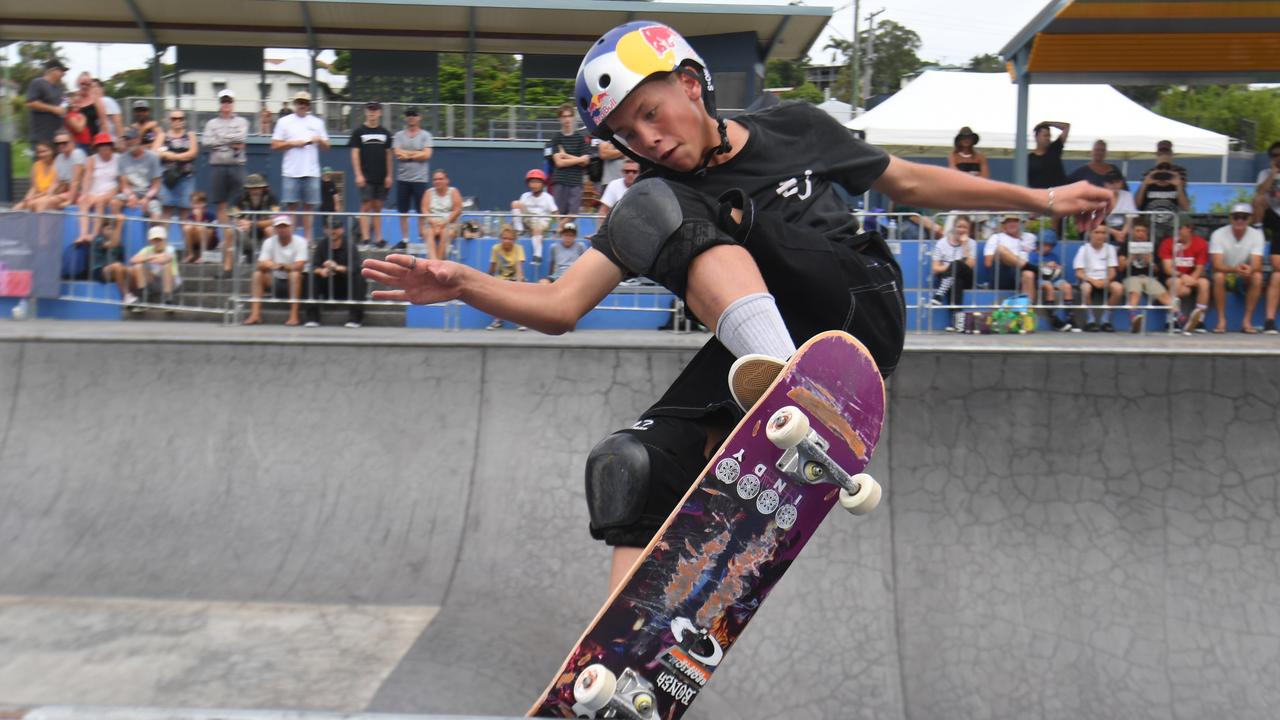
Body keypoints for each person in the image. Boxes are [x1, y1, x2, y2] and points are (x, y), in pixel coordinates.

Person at [362, 21, 1112, 590]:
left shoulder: (795, 126)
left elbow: (911, 184)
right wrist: (463, 284)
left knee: (658, 206)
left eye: (652, 114)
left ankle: (788, 382)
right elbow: (561, 305)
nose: (649, 140)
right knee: (632, 465)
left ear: (692, 83)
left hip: (855, 306)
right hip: (763, 352)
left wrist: (1043, 198)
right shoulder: (657, 194)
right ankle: (626, 667)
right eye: (627, 135)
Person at [271, 90, 330, 242]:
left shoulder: (317, 123)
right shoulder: (284, 121)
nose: (301, 105)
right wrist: (291, 143)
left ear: (309, 105)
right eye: (299, 102)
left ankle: (308, 240)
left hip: (311, 171)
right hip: (291, 171)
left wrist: (318, 140)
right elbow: (274, 145)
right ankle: (292, 240)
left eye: (304, 103)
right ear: (295, 104)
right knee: (291, 207)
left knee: (309, 208)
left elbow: (327, 147)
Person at [1208, 203, 1265, 333]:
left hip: (1243, 275)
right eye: (1236, 217)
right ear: (1230, 218)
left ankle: (1247, 321)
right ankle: (1221, 320)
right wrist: (1235, 270)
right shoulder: (1218, 234)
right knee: (1218, 276)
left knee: (1257, 277)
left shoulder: (1257, 235)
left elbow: (1257, 263)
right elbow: (1216, 264)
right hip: (1226, 273)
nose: (1239, 220)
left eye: (1244, 217)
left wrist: (1249, 269)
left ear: (1250, 219)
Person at [203, 89, 250, 244]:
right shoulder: (211, 123)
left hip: (237, 165)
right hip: (218, 166)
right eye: (223, 101)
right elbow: (207, 142)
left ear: (233, 103)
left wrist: (220, 140)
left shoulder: (242, 121)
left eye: (229, 101)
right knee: (220, 203)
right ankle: (225, 238)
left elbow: (241, 138)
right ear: (220, 103)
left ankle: (240, 237)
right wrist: (231, 142)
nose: (226, 104)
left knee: (240, 201)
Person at [244, 215, 309, 326]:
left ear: (291, 227)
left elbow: (300, 266)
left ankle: (294, 316)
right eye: (279, 227)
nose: (282, 229)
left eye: (285, 226)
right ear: (274, 229)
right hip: (276, 280)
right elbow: (260, 264)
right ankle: (255, 314)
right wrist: (268, 264)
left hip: (298, 281)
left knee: (294, 275)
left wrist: (281, 266)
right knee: (257, 274)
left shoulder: (301, 241)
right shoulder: (269, 242)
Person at [305, 221, 365, 329]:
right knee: (311, 277)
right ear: (325, 230)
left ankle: (355, 318)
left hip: (346, 286)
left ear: (342, 229)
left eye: (336, 228)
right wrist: (321, 271)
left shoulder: (350, 246)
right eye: (329, 228)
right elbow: (313, 266)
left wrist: (336, 267)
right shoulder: (322, 245)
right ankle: (312, 318)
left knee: (359, 278)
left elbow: (355, 267)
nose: (332, 231)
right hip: (327, 284)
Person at [350, 101, 393, 248]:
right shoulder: (359, 132)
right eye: (370, 110)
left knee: (378, 207)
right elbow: (355, 154)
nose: (372, 112)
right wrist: (358, 174)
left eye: (375, 110)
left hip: (381, 176)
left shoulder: (385, 133)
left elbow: (389, 155)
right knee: (366, 205)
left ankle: (379, 238)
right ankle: (366, 238)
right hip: (366, 176)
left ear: (379, 112)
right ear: (366, 112)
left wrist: (389, 175)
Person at [1114, 223, 1170, 333]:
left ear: (1147, 233)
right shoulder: (1125, 246)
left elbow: (1158, 270)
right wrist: (1131, 257)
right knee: (1135, 291)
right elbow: (1120, 268)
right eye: (1138, 231)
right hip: (1131, 277)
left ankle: (1178, 317)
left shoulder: (1154, 246)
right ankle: (1134, 318)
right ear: (1132, 232)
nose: (1140, 234)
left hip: (1149, 278)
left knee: (1163, 293)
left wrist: (1150, 262)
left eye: (1143, 231)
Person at [392, 107, 434, 249]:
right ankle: (405, 239)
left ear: (419, 117)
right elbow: (398, 154)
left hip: (420, 179)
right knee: (402, 211)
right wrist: (417, 153)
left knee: (421, 211)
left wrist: (408, 154)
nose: (411, 117)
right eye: (409, 115)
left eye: (414, 115)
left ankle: (421, 237)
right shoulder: (399, 136)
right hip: (403, 179)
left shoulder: (425, 135)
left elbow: (427, 155)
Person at [1159, 220, 1210, 333]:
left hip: (1192, 277)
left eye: (1179, 228)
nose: (1176, 231)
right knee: (1177, 283)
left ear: (1189, 229)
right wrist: (1183, 277)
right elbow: (1168, 269)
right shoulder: (1167, 243)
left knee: (1204, 283)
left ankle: (1199, 321)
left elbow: (1199, 268)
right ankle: (1172, 320)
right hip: (1174, 277)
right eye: (1175, 229)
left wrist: (1191, 280)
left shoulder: (1200, 243)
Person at [545, 102, 591, 219]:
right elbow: (559, 163)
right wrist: (579, 159)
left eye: (569, 116)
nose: (567, 119)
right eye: (564, 116)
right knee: (559, 214)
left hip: (576, 182)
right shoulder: (556, 138)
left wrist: (565, 155)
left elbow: (586, 161)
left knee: (573, 215)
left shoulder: (580, 138)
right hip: (560, 181)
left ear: (573, 117)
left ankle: (560, 228)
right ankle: (560, 230)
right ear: (560, 119)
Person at [228, 174, 281, 275]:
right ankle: (228, 268)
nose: (255, 191)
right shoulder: (240, 198)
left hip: (265, 236)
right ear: (247, 189)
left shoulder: (272, 198)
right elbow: (233, 217)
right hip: (246, 235)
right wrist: (241, 223)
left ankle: (274, 263)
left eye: (257, 188)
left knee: (269, 229)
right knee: (230, 231)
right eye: (251, 188)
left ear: (263, 188)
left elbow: (276, 219)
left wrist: (253, 224)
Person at [1137, 140, 1190, 241]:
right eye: (1161, 152)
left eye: (1166, 152)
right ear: (1157, 153)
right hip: (1150, 224)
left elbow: (1186, 206)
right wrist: (1145, 183)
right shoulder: (1148, 173)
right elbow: (1137, 204)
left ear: (1171, 153)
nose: (1163, 170)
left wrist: (1178, 184)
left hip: (1171, 225)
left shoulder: (1179, 173)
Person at [1073, 225, 1122, 332]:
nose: (1100, 235)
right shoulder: (1084, 249)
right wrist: (1093, 280)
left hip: (1105, 280)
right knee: (1085, 288)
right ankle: (1090, 320)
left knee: (1118, 288)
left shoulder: (1110, 248)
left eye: (1103, 233)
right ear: (1090, 234)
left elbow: (1112, 271)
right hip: (1089, 280)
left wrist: (1106, 280)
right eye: (1097, 232)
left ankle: (1105, 320)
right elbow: (1079, 273)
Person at [77, 132, 122, 244]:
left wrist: (111, 193)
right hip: (94, 191)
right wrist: (85, 193)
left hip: (111, 189)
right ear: (97, 149)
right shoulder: (92, 159)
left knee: (100, 202)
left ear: (111, 148)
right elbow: (87, 178)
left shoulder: (118, 159)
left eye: (107, 148)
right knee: (83, 201)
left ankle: (95, 234)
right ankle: (83, 234)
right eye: (102, 148)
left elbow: (121, 180)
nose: (105, 151)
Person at [154, 109, 198, 221]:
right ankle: (163, 239)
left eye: (180, 118)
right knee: (166, 211)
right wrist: (182, 156)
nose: (177, 121)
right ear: (170, 120)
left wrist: (171, 155)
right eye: (174, 118)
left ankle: (186, 239)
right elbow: (154, 152)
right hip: (167, 179)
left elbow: (193, 153)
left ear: (184, 120)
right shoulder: (163, 135)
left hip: (186, 178)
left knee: (185, 212)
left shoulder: (190, 135)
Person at [511, 169, 559, 264]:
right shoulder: (525, 196)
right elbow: (520, 210)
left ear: (543, 184)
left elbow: (555, 212)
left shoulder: (547, 197)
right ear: (528, 183)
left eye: (537, 182)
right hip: (528, 220)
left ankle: (537, 255)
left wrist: (558, 227)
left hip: (542, 222)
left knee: (537, 228)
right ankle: (519, 230)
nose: (534, 185)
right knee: (515, 203)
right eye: (532, 182)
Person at [1027, 236, 1075, 331]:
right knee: (1048, 286)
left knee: (1067, 286)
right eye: (1045, 245)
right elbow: (1031, 269)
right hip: (1039, 279)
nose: (1048, 248)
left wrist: (1057, 268)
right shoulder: (1032, 256)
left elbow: (1059, 270)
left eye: (1050, 246)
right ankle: (1054, 318)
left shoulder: (1054, 256)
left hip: (1054, 279)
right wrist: (1045, 265)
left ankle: (1070, 319)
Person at [984, 214, 1038, 295]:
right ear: (1003, 225)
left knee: (1029, 274)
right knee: (1000, 249)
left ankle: (1027, 307)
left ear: (1021, 223)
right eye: (1008, 221)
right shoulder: (996, 237)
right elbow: (988, 263)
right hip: (1003, 275)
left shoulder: (1031, 237)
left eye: (1015, 221)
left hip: (1023, 274)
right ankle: (1030, 267)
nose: (1012, 224)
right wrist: (1010, 258)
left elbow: (1041, 254)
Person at [485, 224, 526, 330]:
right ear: (500, 239)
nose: (507, 241)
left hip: (515, 278)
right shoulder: (495, 249)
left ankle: (520, 321)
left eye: (510, 239)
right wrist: (485, 280)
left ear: (514, 240)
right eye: (504, 238)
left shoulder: (519, 248)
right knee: (495, 290)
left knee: (520, 289)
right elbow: (492, 268)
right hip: (500, 279)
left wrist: (519, 282)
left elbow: (519, 268)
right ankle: (498, 320)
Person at [929, 215, 976, 307]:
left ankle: (939, 294)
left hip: (967, 277)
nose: (961, 230)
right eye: (959, 227)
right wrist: (952, 267)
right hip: (950, 280)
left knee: (957, 264)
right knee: (956, 281)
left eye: (965, 227)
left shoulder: (971, 243)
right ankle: (957, 318)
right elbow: (935, 268)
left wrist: (965, 245)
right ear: (954, 227)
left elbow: (970, 265)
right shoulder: (941, 243)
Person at [117, 127, 163, 220]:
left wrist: (146, 198)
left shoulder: (152, 157)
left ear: (138, 139)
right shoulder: (122, 158)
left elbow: (156, 185)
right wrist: (130, 195)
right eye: (126, 139)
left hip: (148, 193)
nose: (128, 142)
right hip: (131, 192)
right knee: (115, 202)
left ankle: (155, 232)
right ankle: (116, 229)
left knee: (156, 213)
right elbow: (124, 184)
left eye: (130, 139)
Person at [129, 225, 181, 304]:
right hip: (154, 281)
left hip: (172, 282)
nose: (158, 242)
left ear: (165, 240)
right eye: (155, 240)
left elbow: (165, 259)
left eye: (160, 240)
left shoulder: (170, 249)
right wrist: (153, 256)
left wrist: (146, 258)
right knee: (138, 266)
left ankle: (168, 298)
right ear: (150, 241)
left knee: (166, 265)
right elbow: (133, 260)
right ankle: (142, 297)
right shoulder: (147, 249)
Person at [24, 58, 67, 145]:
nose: (63, 74)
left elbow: (62, 105)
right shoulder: (38, 83)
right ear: (53, 70)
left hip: (57, 138)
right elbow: (30, 103)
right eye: (61, 71)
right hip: (41, 138)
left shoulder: (59, 88)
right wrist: (54, 109)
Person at [90, 214, 131, 303]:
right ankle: (126, 296)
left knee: (131, 270)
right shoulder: (98, 239)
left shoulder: (119, 244)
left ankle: (139, 298)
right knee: (117, 266)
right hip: (99, 271)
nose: (111, 231)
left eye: (112, 229)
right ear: (102, 230)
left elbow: (121, 260)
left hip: (113, 271)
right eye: (108, 229)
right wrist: (120, 224)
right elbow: (112, 244)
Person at [423, 169, 463, 261]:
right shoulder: (428, 192)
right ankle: (433, 262)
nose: (437, 181)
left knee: (445, 233)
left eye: (440, 179)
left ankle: (439, 262)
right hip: (432, 223)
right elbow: (424, 209)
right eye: (435, 179)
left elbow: (457, 210)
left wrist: (443, 224)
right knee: (428, 233)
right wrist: (433, 224)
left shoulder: (453, 191)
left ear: (447, 180)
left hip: (450, 223)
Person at [14, 142, 61, 212]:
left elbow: (54, 189)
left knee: (35, 204)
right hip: (38, 196)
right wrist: (27, 197)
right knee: (17, 207)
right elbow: (34, 187)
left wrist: (35, 197)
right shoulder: (36, 165)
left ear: (52, 151)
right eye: (39, 152)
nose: (41, 154)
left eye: (44, 151)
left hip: (52, 195)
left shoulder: (58, 165)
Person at [1027, 121, 1070, 189]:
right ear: (1037, 137)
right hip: (1042, 196)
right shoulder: (1029, 159)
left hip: (1060, 194)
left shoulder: (1055, 148)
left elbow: (1066, 127)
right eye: (1045, 135)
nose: (1048, 138)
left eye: (1049, 135)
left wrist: (1048, 123)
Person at [50, 131, 86, 209]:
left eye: (64, 143)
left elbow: (75, 182)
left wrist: (70, 200)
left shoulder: (77, 154)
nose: (61, 145)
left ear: (72, 142)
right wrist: (48, 195)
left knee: (46, 203)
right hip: (65, 191)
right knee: (38, 202)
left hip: (79, 193)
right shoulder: (59, 158)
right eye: (58, 144)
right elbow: (55, 182)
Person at [1102, 170, 1137, 244]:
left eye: (1117, 182)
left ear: (1121, 183)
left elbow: (1130, 218)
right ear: (1105, 184)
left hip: (1123, 228)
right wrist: (1115, 233)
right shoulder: (1098, 196)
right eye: (1111, 183)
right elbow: (1095, 221)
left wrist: (1123, 233)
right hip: (1105, 227)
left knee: (1131, 234)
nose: (1114, 185)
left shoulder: (1128, 195)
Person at [183, 191, 218, 264]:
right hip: (196, 241)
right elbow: (190, 229)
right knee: (187, 227)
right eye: (194, 203)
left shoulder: (210, 215)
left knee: (201, 228)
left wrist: (199, 219)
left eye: (199, 203)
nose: (196, 206)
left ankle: (203, 256)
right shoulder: (190, 216)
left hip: (210, 241)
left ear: (204, 203)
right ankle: (190, 254)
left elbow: (213, 230)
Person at [92, 79, 124, 143]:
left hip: (111, 141)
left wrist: (120, 140)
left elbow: (118, 122)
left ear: (102, 89)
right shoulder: (91, 105)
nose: (93, 89)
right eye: (91, 87)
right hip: (98, 142)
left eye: (95, 86)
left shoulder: (106, 100)